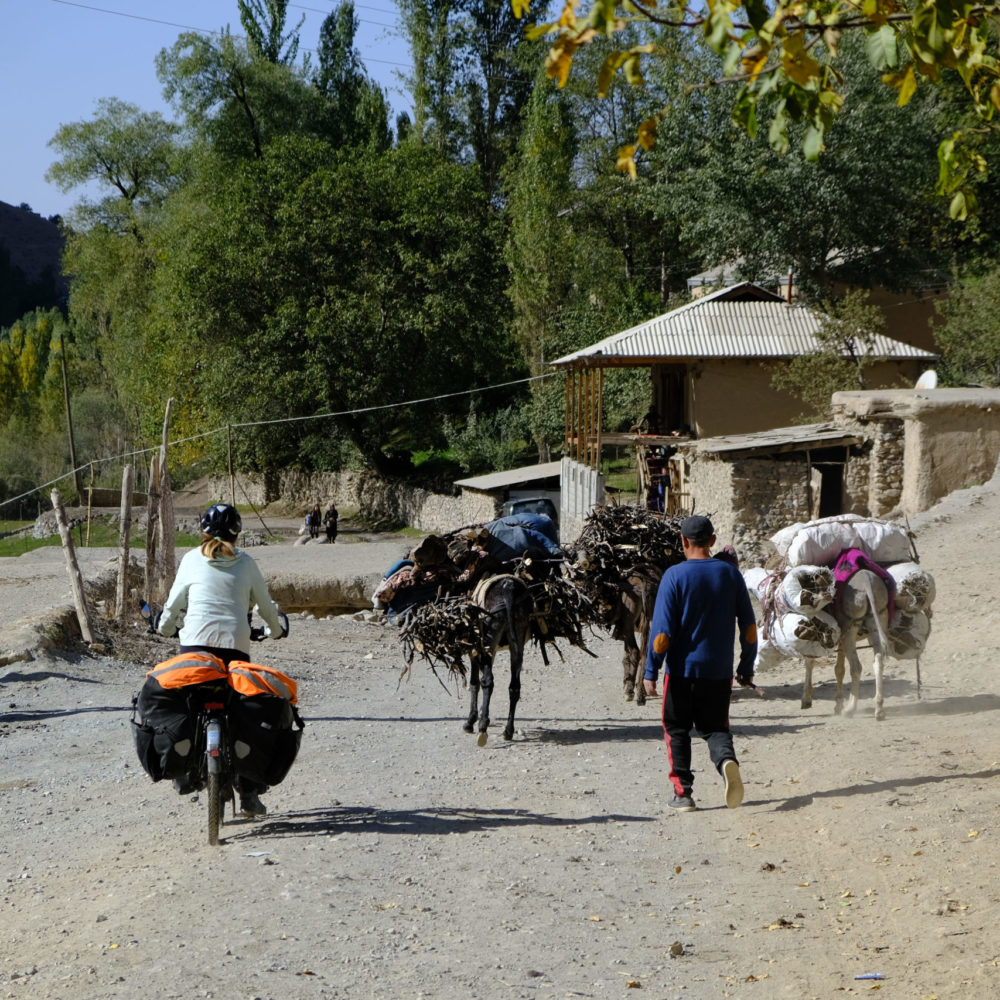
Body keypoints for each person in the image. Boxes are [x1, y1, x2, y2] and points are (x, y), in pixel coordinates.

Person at [156, 503, 289, 819]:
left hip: (193, 649)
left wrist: (165, 628)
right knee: (244, 713)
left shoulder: (191, 559)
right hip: (235, 649)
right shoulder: (247, 563)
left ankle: (183, 769)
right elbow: (267, 607)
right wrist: (275, 631)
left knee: (187, 703)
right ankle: (249, 792)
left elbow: (172, 606)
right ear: (237, 533)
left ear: (202, 531)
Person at [643, 515, 757, 813]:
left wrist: (651, 670)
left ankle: (683, 794)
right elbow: (749, 628)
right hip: (719, 673)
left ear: (683, 541)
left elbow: (662, 634)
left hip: (681, 672)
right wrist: (746, 668)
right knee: (716, 728)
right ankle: (726, 761)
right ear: (713, 541)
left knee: (676, 728)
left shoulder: (674, 576)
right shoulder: (731, 575)